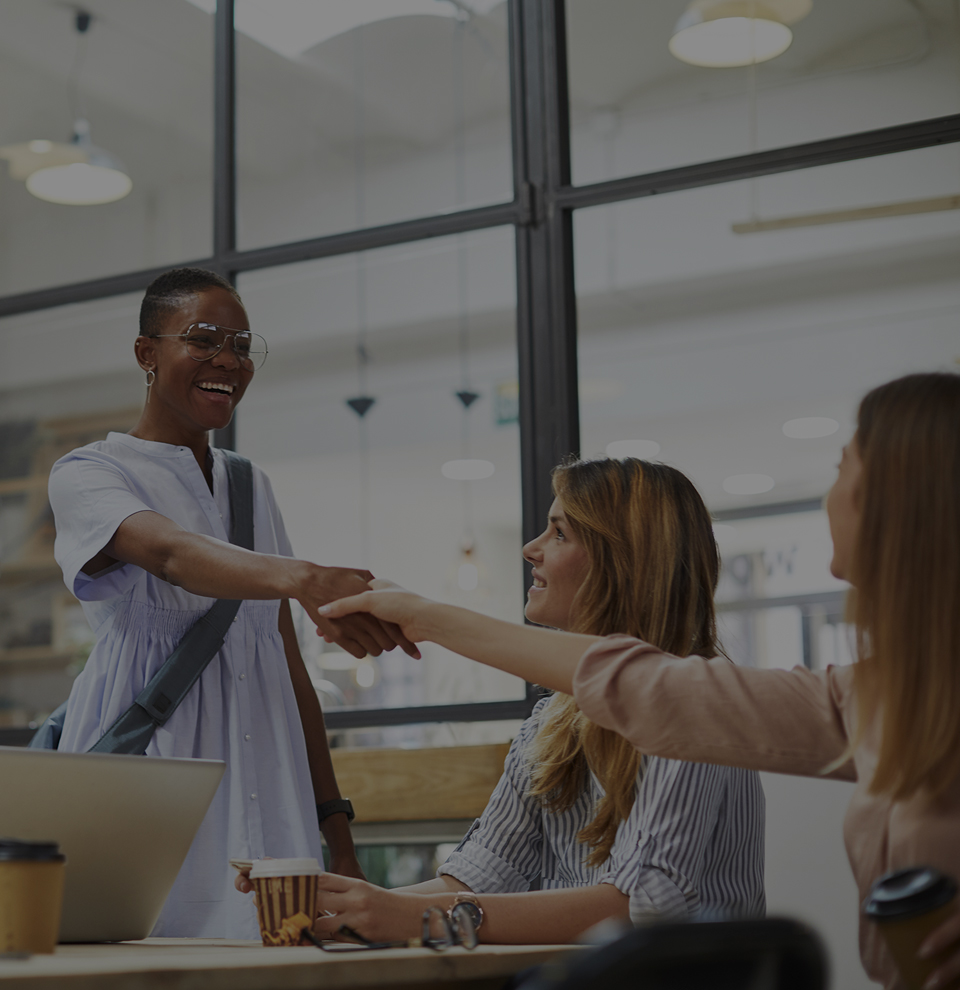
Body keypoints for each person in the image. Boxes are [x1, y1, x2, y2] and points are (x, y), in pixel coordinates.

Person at [319, 372, 960, 989]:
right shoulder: (874, 699)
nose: (831, 492)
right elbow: (493, 865)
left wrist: (433, 920)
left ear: (902, 500)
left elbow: (645, 899)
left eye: (843, 467)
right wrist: (356, 905)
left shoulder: (732, 705)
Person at [47, 267, 417, 939]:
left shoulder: (250, 487)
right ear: (146, 354)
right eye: (205, 338)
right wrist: (303, 578)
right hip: (155, 774)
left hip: (267, 772)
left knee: (278, 952)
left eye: (243, 345)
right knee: (141, 953)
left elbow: (286, 665)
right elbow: (169, 554)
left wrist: (337, 833)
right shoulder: (91, 473)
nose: (228, 360)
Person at [267, 457, 765, 945]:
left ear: (624, 562)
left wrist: (419, 917)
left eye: (560, 533)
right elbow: (479, 874)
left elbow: (641, 906)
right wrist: (339, 907)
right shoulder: (552, 718)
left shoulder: (693, 704)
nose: (531, 548)